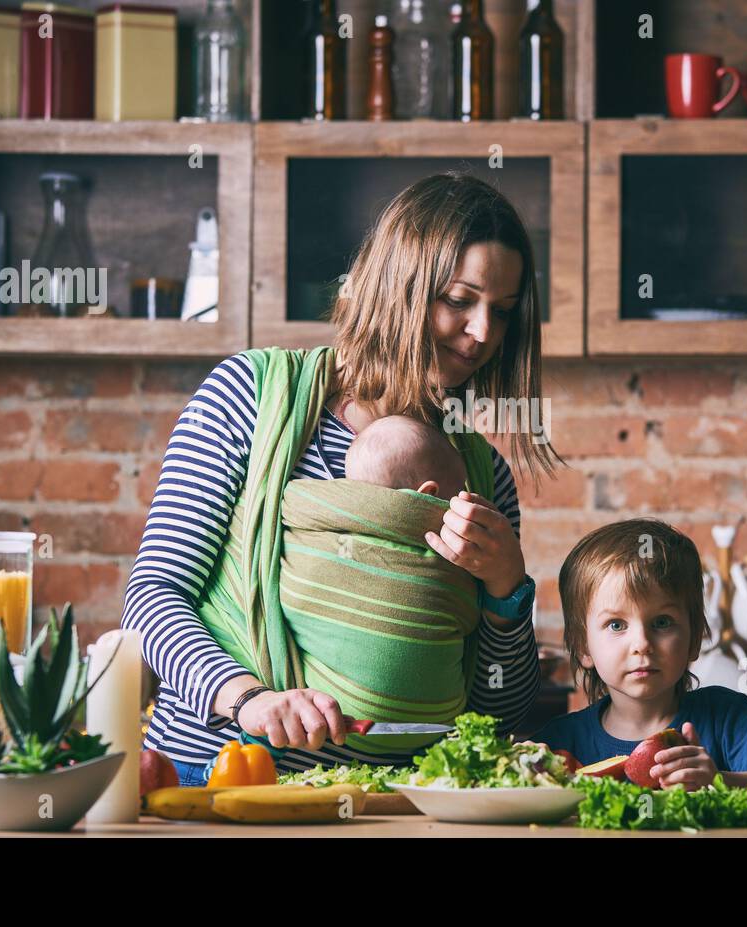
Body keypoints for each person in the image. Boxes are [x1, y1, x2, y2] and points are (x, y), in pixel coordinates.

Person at [122, 172, 561, 786]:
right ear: (397, 285)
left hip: (397, 806)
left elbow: (498, 711)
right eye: (460, 300)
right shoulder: (251, 398)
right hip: (218, 785)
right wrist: (249, 699)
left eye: (503, 312)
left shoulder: (484, 476)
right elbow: (151, 601)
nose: (484, 332)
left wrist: (507, 591)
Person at [532, 519, 747, 789]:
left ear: (695, 637)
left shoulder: (728, 717)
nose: (642, 643)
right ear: (583, 646)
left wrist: (719, 780)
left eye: (662, 622)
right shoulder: (559, 741)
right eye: (616, 625)